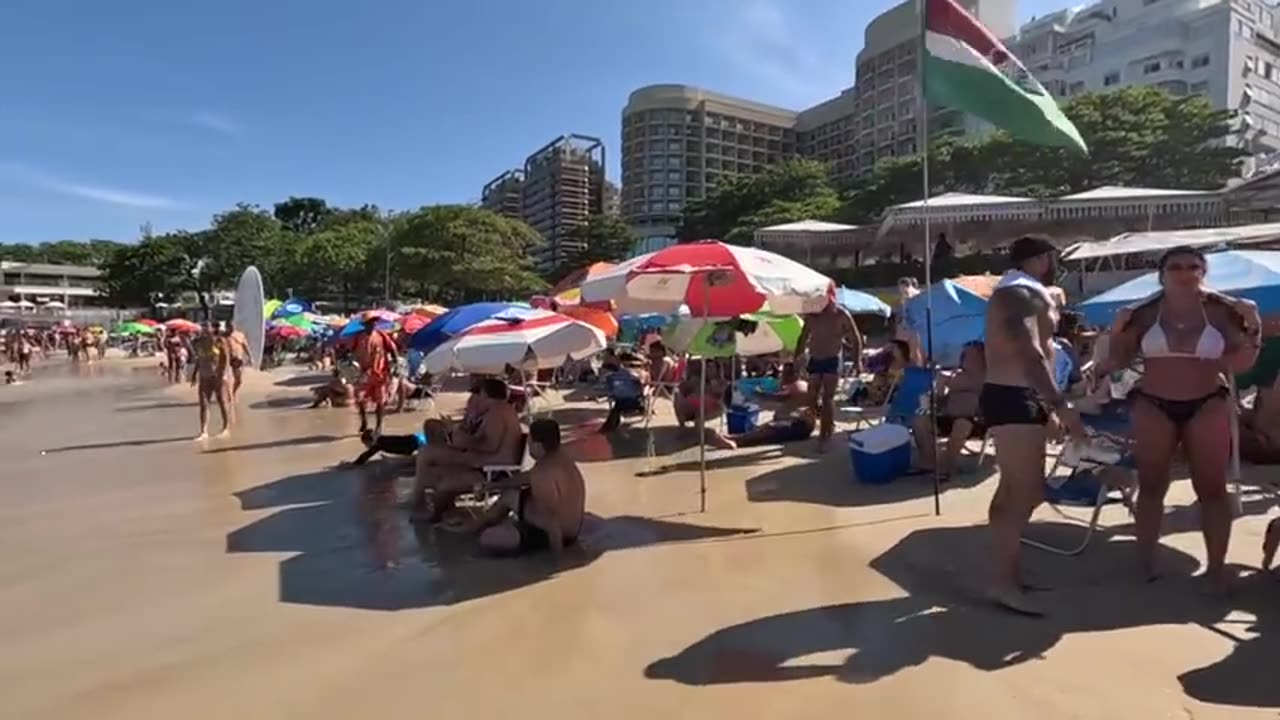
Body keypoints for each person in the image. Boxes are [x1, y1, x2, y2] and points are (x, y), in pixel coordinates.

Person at [1093, 246, 1260, 592]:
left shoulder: (1221, 311)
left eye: (1193, 267)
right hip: (1154, 403)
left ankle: (1216, 569)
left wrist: (1254, 327)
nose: (1185, 273)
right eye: (1176, 267)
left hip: (1207, 402)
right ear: (1162, 273)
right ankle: (1145, 563)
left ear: (1204, 272)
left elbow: (1241, 365)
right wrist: (1116, 331)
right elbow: (1118, 361)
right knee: (1152, 485)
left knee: (1212, 489)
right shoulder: (1144, 312)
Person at [981, 236, 1087, 615]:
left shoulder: (1015, 290)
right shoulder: (1021, 295)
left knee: (1013, 490)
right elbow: (1030, 351)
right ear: (1042, 259)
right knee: (1027, 491)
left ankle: (1007, 575)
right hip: (1015, 396)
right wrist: (1059, 403)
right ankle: (1003, 581)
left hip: (1011, 394)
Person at [411, 378, 524, 520]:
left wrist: (463, 441)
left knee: (430, 461)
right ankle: (429, 508)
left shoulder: (497, 412)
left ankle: (426, 509)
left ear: (484, 394)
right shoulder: (499, 410)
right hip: (486, 465)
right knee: (431, 468)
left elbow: (490, 445)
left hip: (494, 470)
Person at [474, 419, 585, 557]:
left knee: (488, 538)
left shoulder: (543, 473)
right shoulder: (561, 458)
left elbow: (552, 522)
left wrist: (557, 562)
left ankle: (486, 530)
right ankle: (478, 524)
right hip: (569, 526)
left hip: (556, 535)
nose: (528, 445)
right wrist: (494, 486)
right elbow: (527, 477)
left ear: (538, 445)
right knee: (509, 495)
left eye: (530, 441)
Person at [912, 341, 987, 481]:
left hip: (976, 421)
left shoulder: (990, 377)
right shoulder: (952, 376)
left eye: (973, 356)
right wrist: (939, 387)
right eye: (966, 355)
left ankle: (947, 466)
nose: (968, 359)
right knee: (919, 420)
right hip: (946, 417)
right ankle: (929, 462)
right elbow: (934, 401)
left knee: (962, 424)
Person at [795, 301, 863, 451]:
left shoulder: (841, 313)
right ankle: (826, 422)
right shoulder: (813, 315)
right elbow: (803, 337)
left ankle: (824, 436)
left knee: (827, 397)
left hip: (832, 359)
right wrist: (797, 357)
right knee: (812, 397)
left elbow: (855, 337)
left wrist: (857, 360)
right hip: (815, 358)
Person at [353, 315, 399, 436]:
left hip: (380, 373)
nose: (373, 324)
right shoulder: (358, 337)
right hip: (363, 373)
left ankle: (379, 426)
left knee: (380, 401)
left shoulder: (382, 336)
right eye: (370, 322)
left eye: (374, 322)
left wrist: (396, 365)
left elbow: (393, 350)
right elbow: (349, 352)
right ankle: (364, 420)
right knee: (360, 399)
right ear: (364, 324)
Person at [189, 322, 233, 441]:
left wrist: (223, 374)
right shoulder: (198, 343)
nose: (204, 329)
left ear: (213, 329)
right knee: (204, 403)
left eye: (206, 327)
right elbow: (199, 360)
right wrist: (194, 375)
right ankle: (204, 432)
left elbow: (226, 358)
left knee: (222, 401)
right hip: (204, 376)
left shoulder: (220, 341)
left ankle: (226, 428)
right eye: (202, 327)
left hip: (218, 376)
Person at [600, 354, 649, 432]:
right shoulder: (640, 374)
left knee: (619, 404)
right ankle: (644, 409)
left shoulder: (612, 376)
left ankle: (612, 424)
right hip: (635, 400)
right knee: (643, 392)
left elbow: (609, 389)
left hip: (619, 399)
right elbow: (643, 386)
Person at [347, 422, 430, 466]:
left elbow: (365, 456)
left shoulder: (379, 444)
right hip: (415, 438)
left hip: (415, 442)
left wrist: (353, 465)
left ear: (370, 442)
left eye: (365, 444)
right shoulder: (381, 440)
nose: (366, 446)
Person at [223, 321, 251, 401]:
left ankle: (233, 392)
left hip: (237, 359)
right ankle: (228, 395)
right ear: (226, 327)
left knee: (239, 380)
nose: (231, 327)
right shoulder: (223, 336)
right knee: (226, 379)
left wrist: (250, 356)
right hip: (227, 359)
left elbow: (245, 346)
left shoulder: (240, 335)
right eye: (229, 326)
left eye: (232, 325)